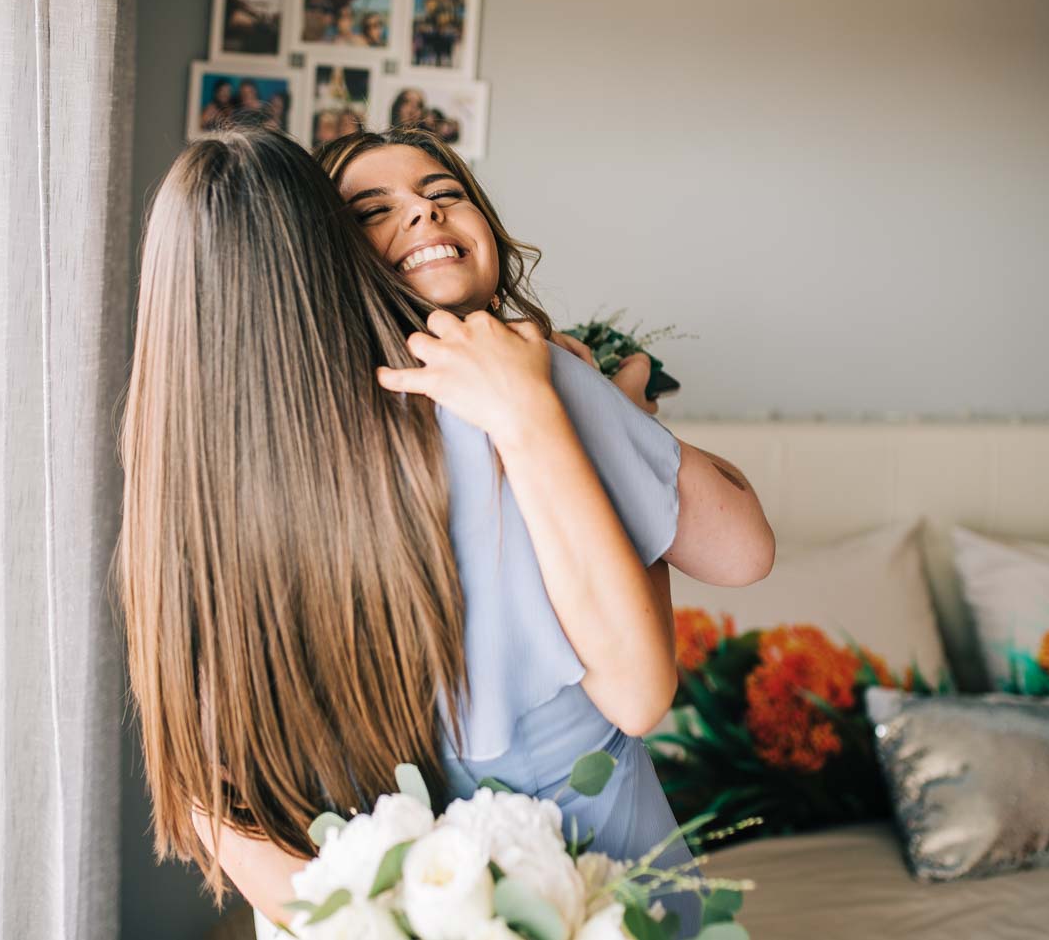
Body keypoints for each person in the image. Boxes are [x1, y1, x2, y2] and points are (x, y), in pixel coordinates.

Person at [119, 124, 774, 935]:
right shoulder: (516, 384)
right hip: (576, 868)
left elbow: (210, 798)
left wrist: (362, 914)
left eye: (444, 195)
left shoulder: (173, 502)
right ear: (332, 254)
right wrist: (605, 418)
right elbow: (686, 626)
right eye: (371, 211)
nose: (424, 220)